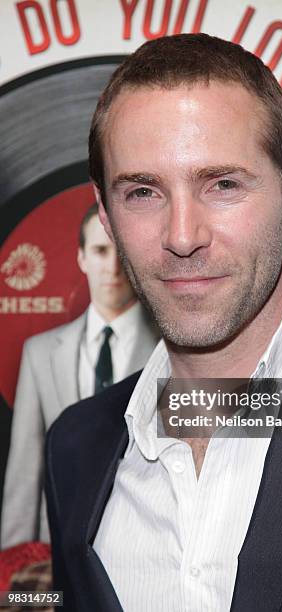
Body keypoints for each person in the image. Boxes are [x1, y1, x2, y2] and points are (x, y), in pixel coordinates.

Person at [45, 34, 282, 611]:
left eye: (222, 185)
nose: (182, 236)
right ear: (107, 219)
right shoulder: (76, 448)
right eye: (142, 192)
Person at [1, 204, 159, 549]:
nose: (112, 267)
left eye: (122, 252)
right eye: (100, 251)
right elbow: (25, 469)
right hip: (56, 548)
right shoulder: (39, 353)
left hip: (144, 549)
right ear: (82, 258)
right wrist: (11, 576)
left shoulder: (172, 351)